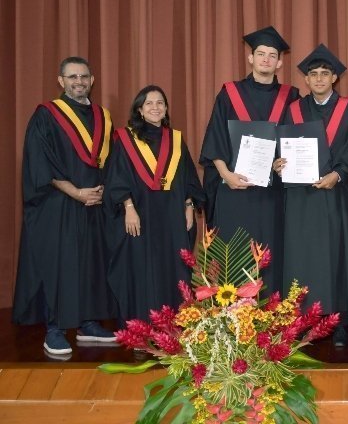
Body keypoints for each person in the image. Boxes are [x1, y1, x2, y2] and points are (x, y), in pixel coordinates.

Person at [13, 56, 117, 356]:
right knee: (60, 264)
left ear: (92, 79)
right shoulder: (47, 115)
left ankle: (87, 324)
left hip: (93, 203)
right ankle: (55, 329)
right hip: (57, 204)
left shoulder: (102, 116)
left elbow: (110, 161)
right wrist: (75, 192)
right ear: (61, 81)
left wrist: (100, 191)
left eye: (84, 76)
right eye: (72, 77)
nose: (79, 82)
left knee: (90, 263)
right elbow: (39, 161)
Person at [273, 44, 348, 347]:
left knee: (337, 257)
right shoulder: (294, 110)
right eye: (313, 74)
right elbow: (282, 146)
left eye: (325, 73)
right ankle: (302, 320)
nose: (319, 78)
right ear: (307, 80)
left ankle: (337, 320)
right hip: (302, 196)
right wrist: (279, 162)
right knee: (302, 256)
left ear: (334, 78)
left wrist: (337, 174)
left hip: (336, 191)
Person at [200, 26, 299, 294]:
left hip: (272, 192)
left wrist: (283, 161)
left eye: (272, 55)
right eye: (261, 54)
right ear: (250, 58)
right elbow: (215, 138)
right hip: (235, 188)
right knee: (235, 251)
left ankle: (272, 320)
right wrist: (226, 175)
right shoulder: (229, 93)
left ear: (279, 62)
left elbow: (294, 140)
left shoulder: (291, 96)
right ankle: (233, 318)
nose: (266, 59)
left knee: (271, 251)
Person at [104, 85, 206, 322]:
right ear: (139, 109)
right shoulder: (126, 140)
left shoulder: (176, 140)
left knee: (173, 266)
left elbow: (187, 176)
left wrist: (189, 206)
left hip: (171, 216)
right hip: (140, 214)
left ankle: (175, 324)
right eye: (149, 103)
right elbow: (117, 177)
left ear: (166, 108)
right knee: (141, 267)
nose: (155, 107)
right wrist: (128, 208)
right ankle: (142, 326)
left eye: (160, 102)